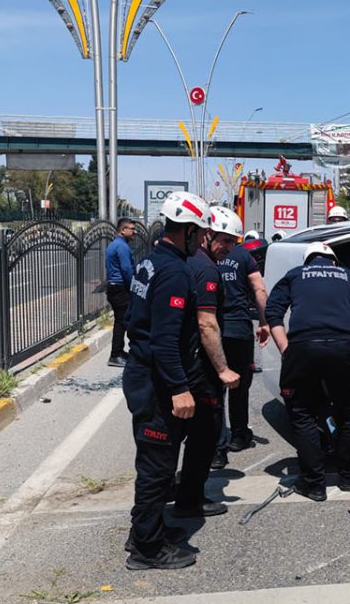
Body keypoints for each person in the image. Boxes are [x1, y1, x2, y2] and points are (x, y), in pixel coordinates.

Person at [120, 192, 211, 570]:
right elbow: (165, 340)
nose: (204, 241)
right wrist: (179, 388)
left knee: (153, 462)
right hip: (157, 382)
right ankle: (147, 548)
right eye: (201, 234)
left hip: (143, 374)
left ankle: (147, 528)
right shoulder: (174, 272)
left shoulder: (153, 261)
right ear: (188, 231)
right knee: (157, 468)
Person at [265, 241, 350, 500]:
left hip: (302, 348)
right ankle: (347, 476)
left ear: (308, 260)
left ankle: (314, 484)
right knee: (348, 414)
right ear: (334, 260)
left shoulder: (294, 275)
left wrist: (286, 350)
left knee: (302, 413)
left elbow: (273, 313)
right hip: (343, 347)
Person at [186, 207, 243, 481]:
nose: (230, 249)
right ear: (208, 235)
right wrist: (222, 369)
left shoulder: (189, 260)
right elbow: (206, 323)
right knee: (205, 429)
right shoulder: (207, 270)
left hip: (184, 359)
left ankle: (185, 491)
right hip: (198, 364)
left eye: (233, 242)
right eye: (226, 241)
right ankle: (191, 497)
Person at [213, 219, 270, 468]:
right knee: (240, 386)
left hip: (213, 332)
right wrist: (265, 322)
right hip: (239, 330)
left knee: (214, 390)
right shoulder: (244, 257)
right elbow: (259, 289)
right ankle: (238, 435)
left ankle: (217, 448)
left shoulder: (203, 257)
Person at [105, 218, 137, 367]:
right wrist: (133, 288)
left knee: (121, 321)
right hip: (120, 288)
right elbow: (126, 269)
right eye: (131, 229)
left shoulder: (116, 244)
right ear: (122, 230)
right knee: (122, 322)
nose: (134, 232)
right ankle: (115, 355)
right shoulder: (122, 247)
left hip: (115, 287)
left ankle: (119, 351)